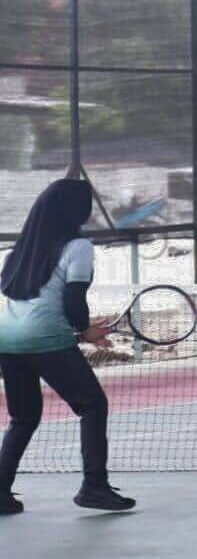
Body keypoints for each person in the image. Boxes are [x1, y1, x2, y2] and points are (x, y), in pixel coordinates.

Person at [0, 178, 136, 514]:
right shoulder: (79, 247)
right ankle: (94, 488)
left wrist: (82, 331)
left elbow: (35, 304)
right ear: (77, 210)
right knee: (92, 406)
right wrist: (85, 330)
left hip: (8, 341)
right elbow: (73, 302)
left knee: (23, 417)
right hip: (45, 339)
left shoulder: (22, 248)